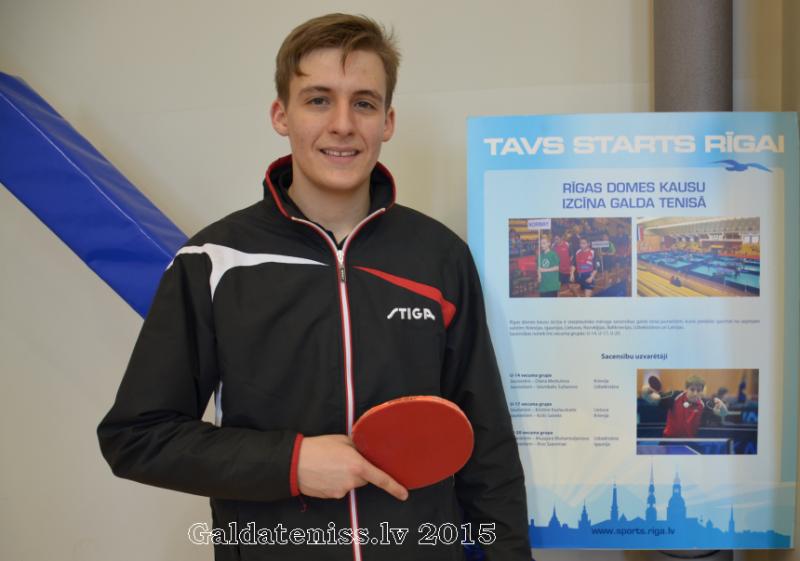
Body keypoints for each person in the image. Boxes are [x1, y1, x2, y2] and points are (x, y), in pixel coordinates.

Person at [96, 13, 530, 561]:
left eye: (364, 103)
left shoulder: (439, 257)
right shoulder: (214, 260)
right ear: (282, 114)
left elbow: (485, 444)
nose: (343, 124)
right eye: (319, 100)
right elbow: (137, 437)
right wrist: (292, 463)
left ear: (388, 121)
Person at [641, 374, 727, 438]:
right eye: (692, 389)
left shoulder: (704, 403)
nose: (695, 393)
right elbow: (652, 398)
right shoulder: (674, 395)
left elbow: (723, 413)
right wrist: (645, 391)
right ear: (686, 389)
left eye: (699, 390)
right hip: (669, 440)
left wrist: (722, 406)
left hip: (690, 443)